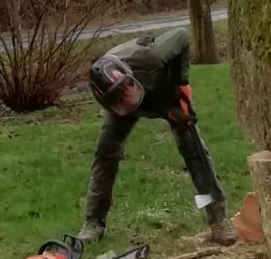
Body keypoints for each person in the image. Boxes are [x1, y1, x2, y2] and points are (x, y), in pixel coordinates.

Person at [79, 27, 235, 247]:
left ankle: (217, 217)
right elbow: (121, 100)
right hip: (123, 98)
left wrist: (182, 83)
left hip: (166, 93)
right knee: (105, 155)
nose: (129, 101)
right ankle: (93, 223)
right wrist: (122, 101)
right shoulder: (112, 94)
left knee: (194, 152)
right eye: (120, 100)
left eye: (127, 93)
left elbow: (181, 36)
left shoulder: (152, 56)